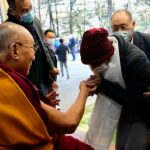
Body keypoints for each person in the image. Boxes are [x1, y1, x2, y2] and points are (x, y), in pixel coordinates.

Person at [0, 22, 97, 150]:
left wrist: (37, 108)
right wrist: (84, 91)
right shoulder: (9, 85)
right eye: (32, 48)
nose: (34, 57)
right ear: (14, 50)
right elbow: (69, 122)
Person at [80, 28, 150, 150]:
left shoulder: (135, 61)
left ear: (109, 55)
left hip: (143, 110)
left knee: (133, 147)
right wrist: (96, 85)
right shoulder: (106, 44)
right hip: (124, 109)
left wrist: (102, 85)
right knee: (120, 146)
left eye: (96, 64)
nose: (93, 68)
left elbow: (134, 100)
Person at [6, 0, 59, 95]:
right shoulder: (7, 30)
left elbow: (43, 45)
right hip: (27, 80)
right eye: (25, 10)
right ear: (12, 11)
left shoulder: (35, 21)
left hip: (44, 76)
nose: (29, 13)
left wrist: (51, 67)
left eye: (31, 8)